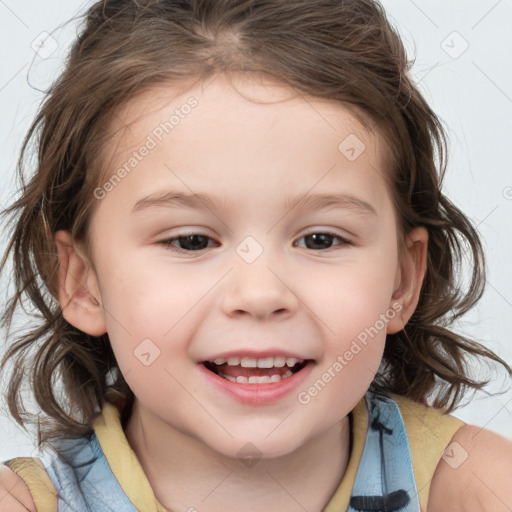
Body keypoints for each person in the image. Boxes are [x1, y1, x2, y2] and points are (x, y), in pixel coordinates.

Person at [0, 0, 511, 511]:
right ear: (82, 282)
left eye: (320, 239)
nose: (260, 294)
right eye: (191, 240)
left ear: (401, 282)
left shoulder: (478, 489)